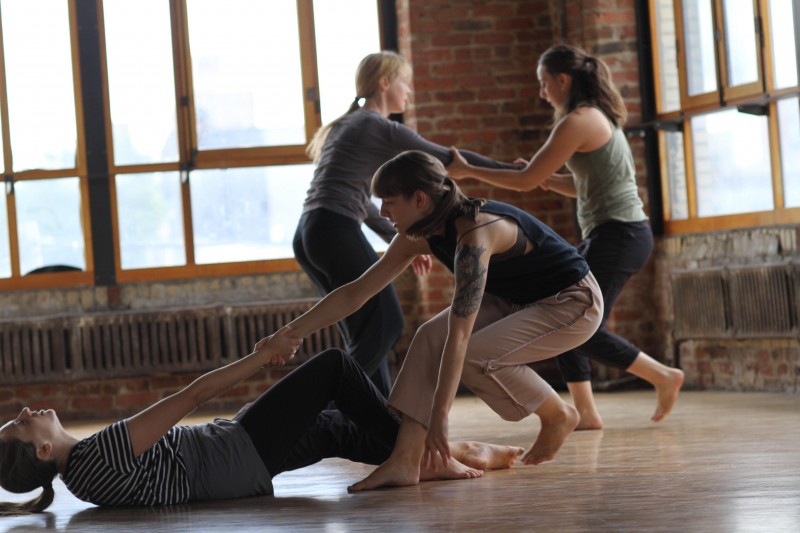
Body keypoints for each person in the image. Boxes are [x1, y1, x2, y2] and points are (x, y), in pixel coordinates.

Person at [257, 150, 604, 492]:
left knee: (473, 355)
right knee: (427, 336)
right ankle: (407, 461)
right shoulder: (420, 234)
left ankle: (557, 413)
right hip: (516, 299)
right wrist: (289, 334)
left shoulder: (475, 235)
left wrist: (441, 416)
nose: (381, 212)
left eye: (389, 201)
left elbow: (460, 335)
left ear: (419, 199)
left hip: (572, 301)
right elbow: (356, 292)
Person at [0, 333, 524, 515]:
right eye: (21, 425)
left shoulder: (84, 478)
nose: (25, 413)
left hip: (232, 460)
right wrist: (267, 355)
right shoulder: (99, 455)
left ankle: (442, 452)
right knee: (334, 366)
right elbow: (194, 394)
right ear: (43, 452)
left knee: (334, 427)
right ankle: (422, 455)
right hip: (234, 453)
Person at [446, 44, 685, 430]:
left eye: (544, 84)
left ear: (563, 80)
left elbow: (524, 181)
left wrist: (469, 171)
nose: (542, 93)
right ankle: (587, 412)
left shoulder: (579, 119)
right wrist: (544, 179)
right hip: (612, 233)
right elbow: (582, 185)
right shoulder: (595, 116)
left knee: (576, 319)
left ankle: (662, 375)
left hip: (620, 235)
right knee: (561, 306)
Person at [296, 50, 518, 396]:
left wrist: (407, 238)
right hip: (333, 229)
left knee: (368, 331)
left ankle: (379, 421)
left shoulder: (347, 124)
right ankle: (322, 406)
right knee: (386, 323)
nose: (409, 92)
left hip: (312, 233)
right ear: (385, 83)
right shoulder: (377, 126)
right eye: (405, 83)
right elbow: (446, 160)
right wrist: (514, 171)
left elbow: (362, 203)